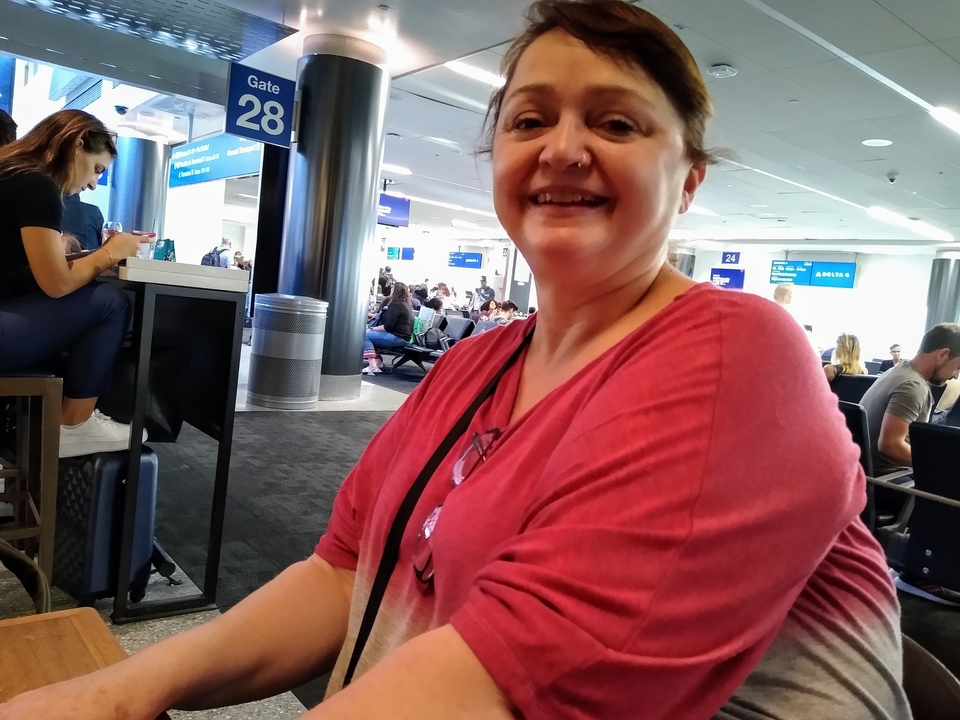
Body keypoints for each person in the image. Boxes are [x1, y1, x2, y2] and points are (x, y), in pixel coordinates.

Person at [0, 3, 909, 719]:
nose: (563, 148)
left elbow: (509, 684)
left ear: (691, 180)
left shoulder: (738, 355)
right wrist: (117, 692)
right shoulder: (474, 365)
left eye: (617, 123)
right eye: (530, 118)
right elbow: (342, 574)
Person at [0, 109, 144, 458]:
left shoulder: (10, 173)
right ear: (78, 142)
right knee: (110, 302)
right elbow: (56, 285)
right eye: (97, 169)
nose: (93, 183)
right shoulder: (36, 185)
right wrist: (111, 252)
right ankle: (73, 425)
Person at [860, 323, 960, 477]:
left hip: (865, 472)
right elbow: (890, 444)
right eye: (958, 367)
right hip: (889, 480)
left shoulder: (896, 371)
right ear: (943, 355)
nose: (955, 376)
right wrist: (938, 463)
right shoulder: (913, 386)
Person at [363, 281, 414, 375]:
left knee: (365, 335)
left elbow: (388, 327)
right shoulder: (406, 305)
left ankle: (373, 367)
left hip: (397, 337)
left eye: (392, 288)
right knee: (370, 335)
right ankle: (378, 362)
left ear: (395, 291)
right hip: (403, 337)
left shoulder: (395, 305)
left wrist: (372, 329)